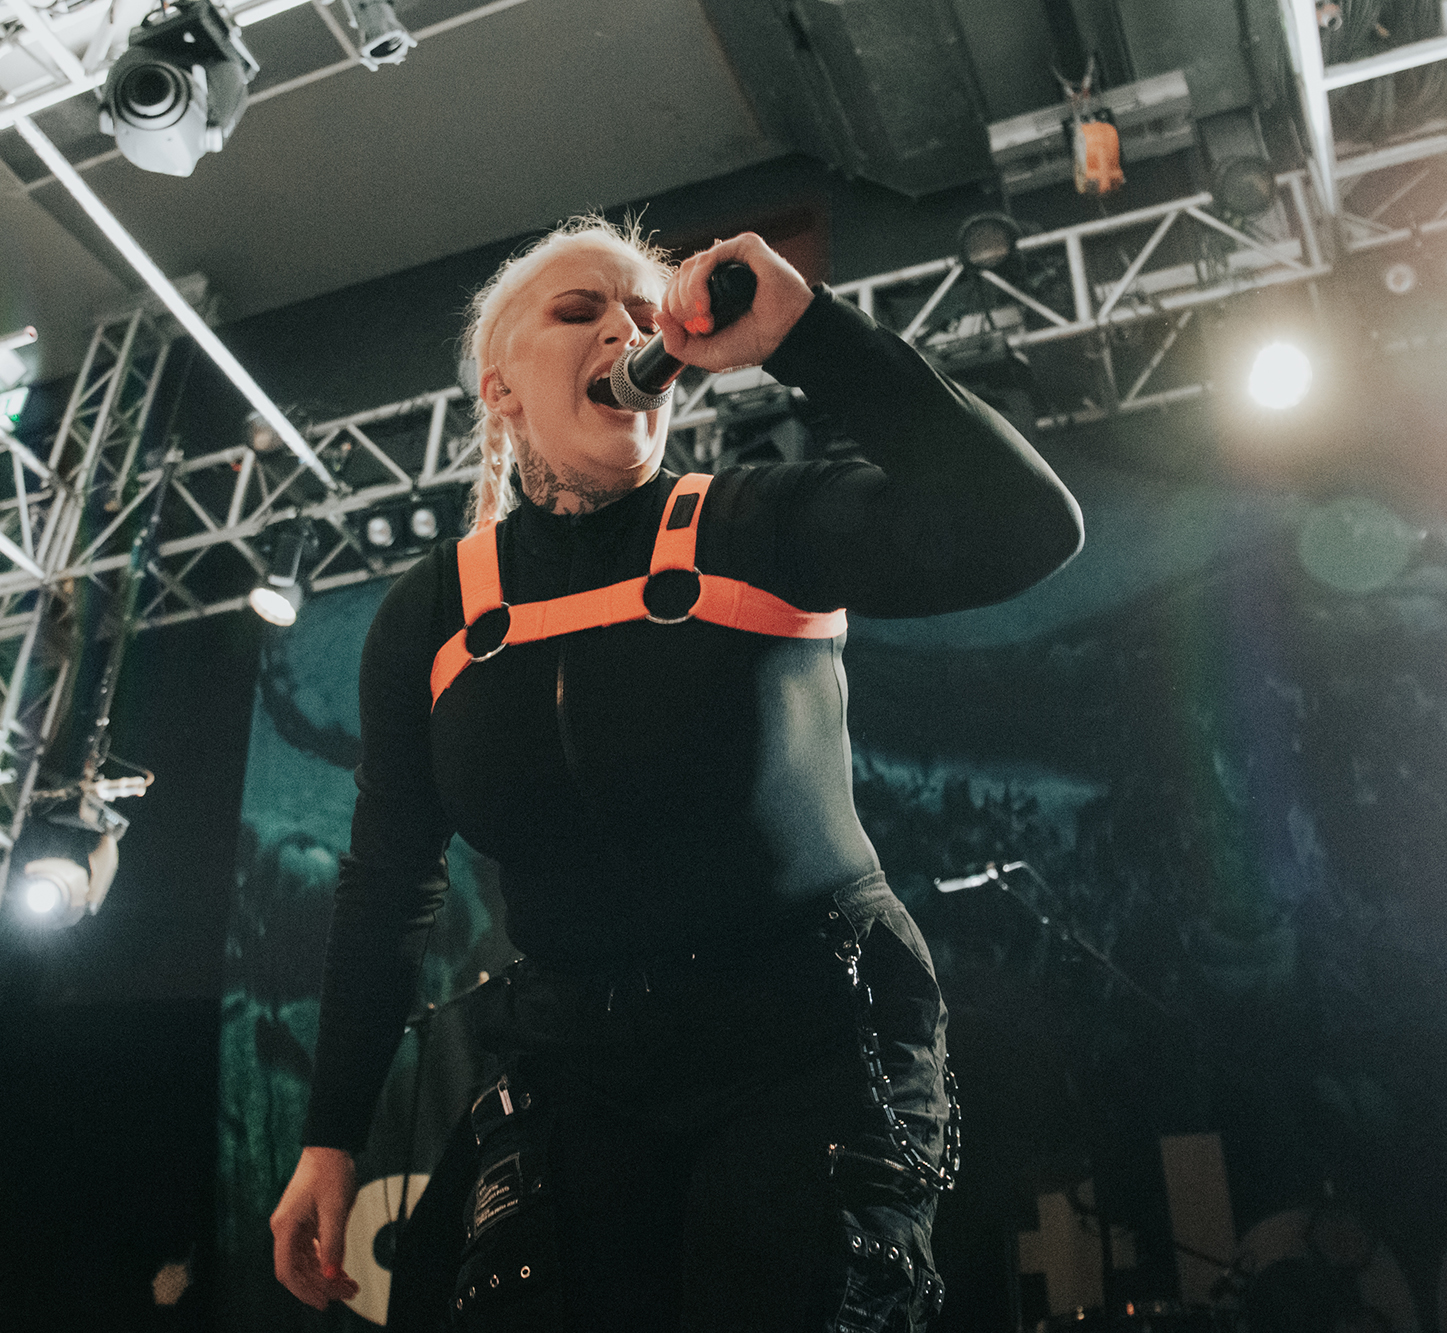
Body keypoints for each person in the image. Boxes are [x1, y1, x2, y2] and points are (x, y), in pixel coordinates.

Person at [269, 217, 1083, 1331]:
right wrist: (330, 1138)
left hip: (807, 1035)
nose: (624, 329)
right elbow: (387, 881)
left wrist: (805, 332)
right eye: (579, 311)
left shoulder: (754, 523)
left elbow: (1023, 526)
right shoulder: (433, 613)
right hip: (576, 1060)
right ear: (499, 389)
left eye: (642, 314)